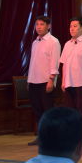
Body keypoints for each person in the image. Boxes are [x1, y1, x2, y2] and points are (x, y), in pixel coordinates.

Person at [59, 16, 82, 148]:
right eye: (70, 26)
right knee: (70, 111)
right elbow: (64, 64)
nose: (72, 29)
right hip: (69, 83)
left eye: (75, 26)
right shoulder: (67, 44)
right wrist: (63, 81)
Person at [26, 15, 61, 146]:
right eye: (37, 24)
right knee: (37, 111)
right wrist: (29, 80)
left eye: (42, 24)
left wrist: (51, 80)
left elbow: (55, 63)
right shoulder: (35, 42)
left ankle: (52, 137)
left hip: (46, 81)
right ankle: (41, 137)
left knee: (48, 111)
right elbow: (33, 63)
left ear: (48, 26)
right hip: (33, 81)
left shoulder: (53, 42)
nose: (39, 27)